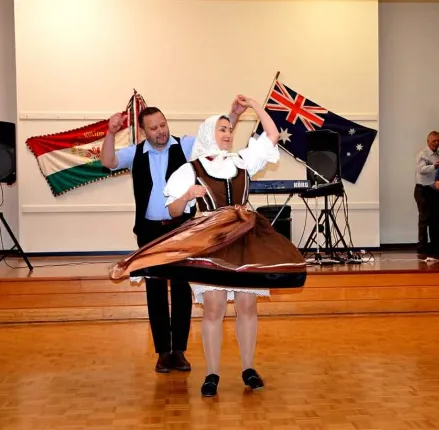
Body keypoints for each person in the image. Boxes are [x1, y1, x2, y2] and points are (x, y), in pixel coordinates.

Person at [109, 95, 307, 397]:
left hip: (244, 241)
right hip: (212, 243)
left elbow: (272, 135)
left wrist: (255, 105)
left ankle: (248, 368)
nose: (228, 134)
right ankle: (212, 373)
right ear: (208, 135)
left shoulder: (242, 161)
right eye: (221, 129)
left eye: (230, 130)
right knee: (214, 308)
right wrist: (187, 196)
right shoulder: (190, 169)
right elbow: (173, 210)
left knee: (247, 305)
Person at [100, 99, 246, 373]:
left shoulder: (185, 146)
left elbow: (215, 137)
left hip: (181, 228)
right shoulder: (136, 153)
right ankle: (162, 353)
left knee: (180, 289)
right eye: (154, 128)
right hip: (149, 231)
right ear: (144, 131)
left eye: (163, 124)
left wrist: (233, 115)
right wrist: (110, 132)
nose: (161, 131)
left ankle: (179, 351)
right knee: (155, 291)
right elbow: (108, 161)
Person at [414, 131, 439, 256]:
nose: (436, 143)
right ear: (428, 141)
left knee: (434, 219)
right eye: (434, 141)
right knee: (424, 218)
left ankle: (434, 245)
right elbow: (420, 169)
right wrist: (434, 166)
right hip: (423, 190)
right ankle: (422, 245)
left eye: (438, 141)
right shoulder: (423, 154)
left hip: (434, 190)